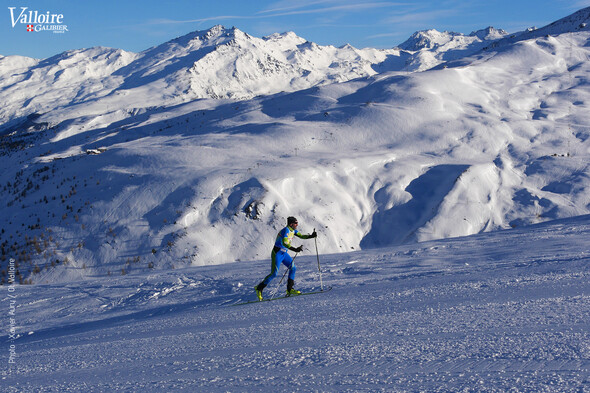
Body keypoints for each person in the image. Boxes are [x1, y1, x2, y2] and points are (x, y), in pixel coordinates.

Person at [255, 216, 317, 300]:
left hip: (284, 253)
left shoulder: (293, 230)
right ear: (291, 224)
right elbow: (284, 243)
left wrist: (311, 236)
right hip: (277, 253)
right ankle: (259, 288)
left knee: (293, 268)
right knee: (274, 273)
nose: (297, 225)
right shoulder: (286, 230)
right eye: (296, 223)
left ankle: (289, 289)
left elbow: (301, 236)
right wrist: (295, 249)